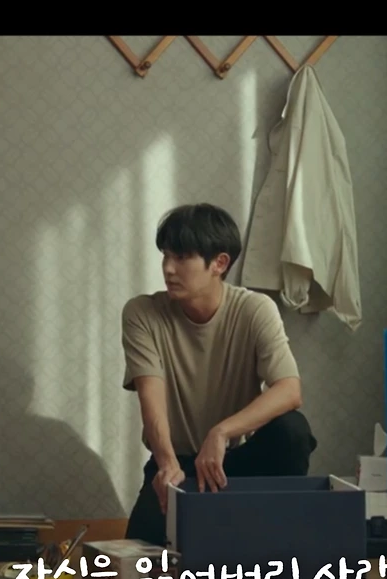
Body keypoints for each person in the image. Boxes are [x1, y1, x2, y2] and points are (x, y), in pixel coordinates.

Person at [122, 203, 317, 547]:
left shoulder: (254, 309)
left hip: (235, 464)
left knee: (292, 430)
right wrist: (167, 464)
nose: (168, 268)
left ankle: (278, 533)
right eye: (165, 256)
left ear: (220, 263)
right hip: (178, 464)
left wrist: (222, 432)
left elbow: (290, 390)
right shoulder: (143, 313)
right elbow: (151, 402)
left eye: (182, 257)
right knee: (139, 561)